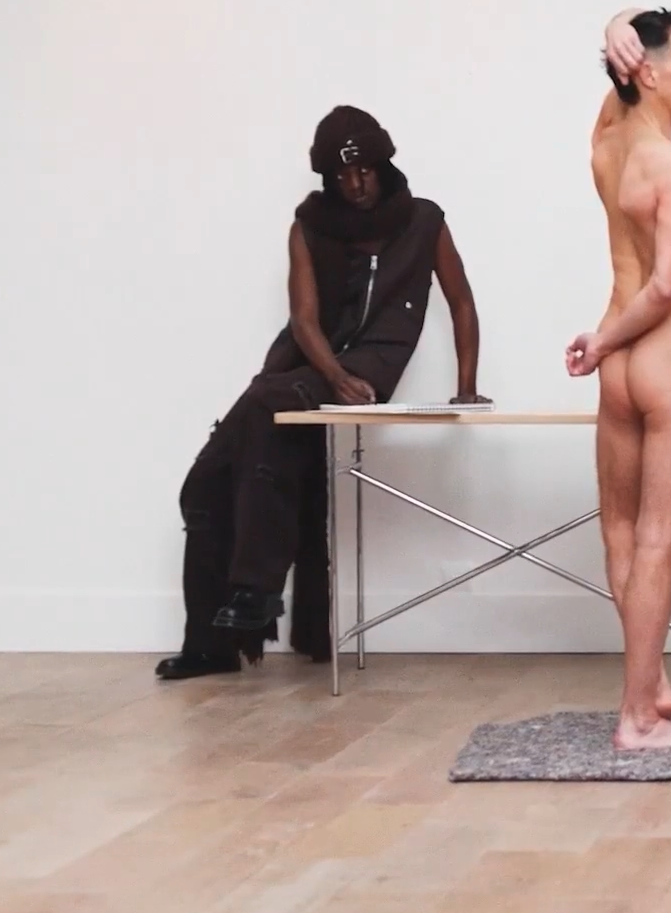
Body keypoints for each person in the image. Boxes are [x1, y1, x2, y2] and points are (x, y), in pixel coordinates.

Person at [157, 105, 488, 680]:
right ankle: (213, 645)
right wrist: (332, 376)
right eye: (341, 175)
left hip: (369, 365)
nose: (355, 184)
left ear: (383, 166)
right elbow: (304, 320)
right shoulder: (309, 226)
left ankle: (256, 588)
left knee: (266, 413)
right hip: (309, 366)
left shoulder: (423, 221)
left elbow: (461, 301)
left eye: (364, 171)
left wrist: (467, 388)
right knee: (204, 485)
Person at [568, 7, 671, 749]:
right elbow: (664, 289)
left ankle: (649, 680)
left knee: (624, 530)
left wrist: (614, 24)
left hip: (624, 368)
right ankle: (636, 717)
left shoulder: (608, 144)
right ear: (650, 74)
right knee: (661, 536)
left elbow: (619, 73)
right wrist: (601, 342)